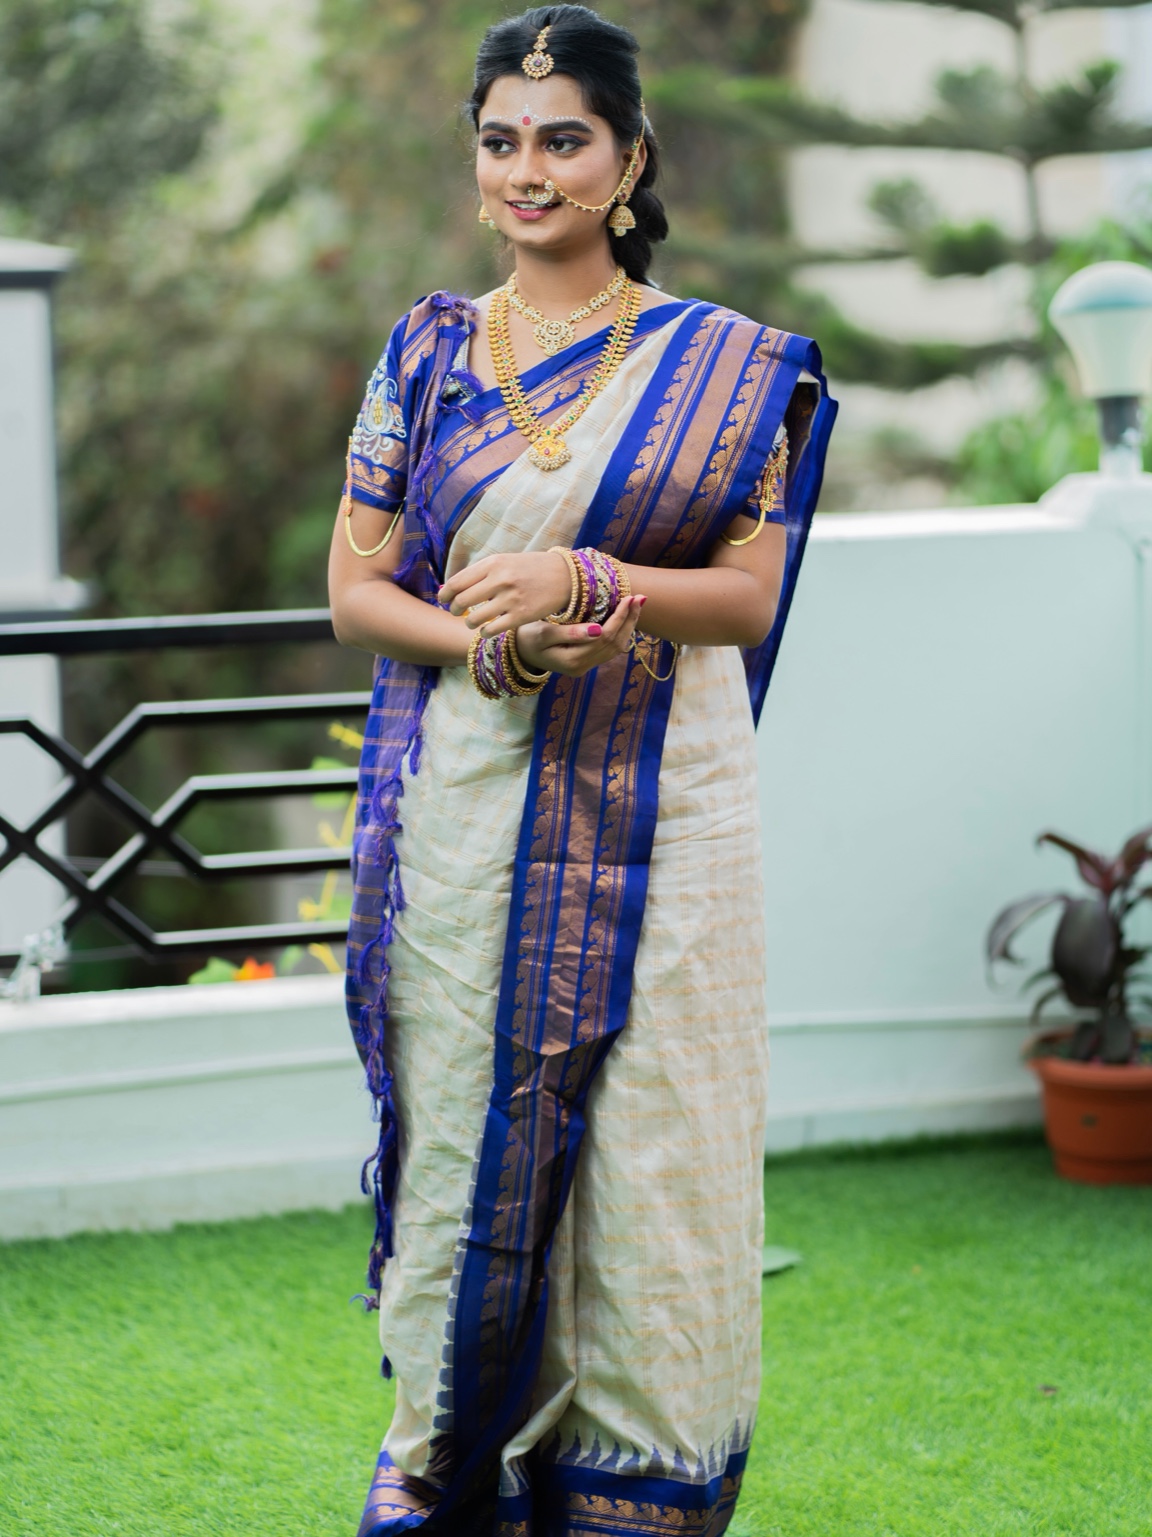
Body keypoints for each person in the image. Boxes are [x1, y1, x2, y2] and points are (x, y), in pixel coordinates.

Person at [327, 7, 836, 1534]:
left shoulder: (727, 370)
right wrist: (490, 646)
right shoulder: (425, 353)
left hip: (668, 814)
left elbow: (742, 599)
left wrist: (586, 583)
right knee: (466, 1149)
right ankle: (446, 1468)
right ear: (478, 165)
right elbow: (358, 593)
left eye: (563, 139)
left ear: (627, 161)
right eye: (502, 142)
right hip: (469, 819)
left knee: (654, 1150)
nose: (528, 170)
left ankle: (629, 1494)